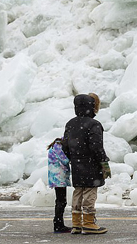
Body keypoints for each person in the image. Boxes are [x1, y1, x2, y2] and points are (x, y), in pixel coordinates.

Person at [61, 93, 111, 235]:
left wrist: (73, 158)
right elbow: (97, 147)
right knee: (90, 191)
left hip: (76, 164)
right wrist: (104, 163)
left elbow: (65, 145)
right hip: (91, 164)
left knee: (78, 191)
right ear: (92, 107)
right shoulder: (94, 124)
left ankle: (76, 224)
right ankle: (88, 223)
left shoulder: (70, 123)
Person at [47, 137, 72, 233]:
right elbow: (64, 160)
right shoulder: (58, 147)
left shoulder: (55, 146)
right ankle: (58, 224)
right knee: (61, 201)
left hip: (56, 176)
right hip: (58, 177)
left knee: (60, 200)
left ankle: (58, 223)